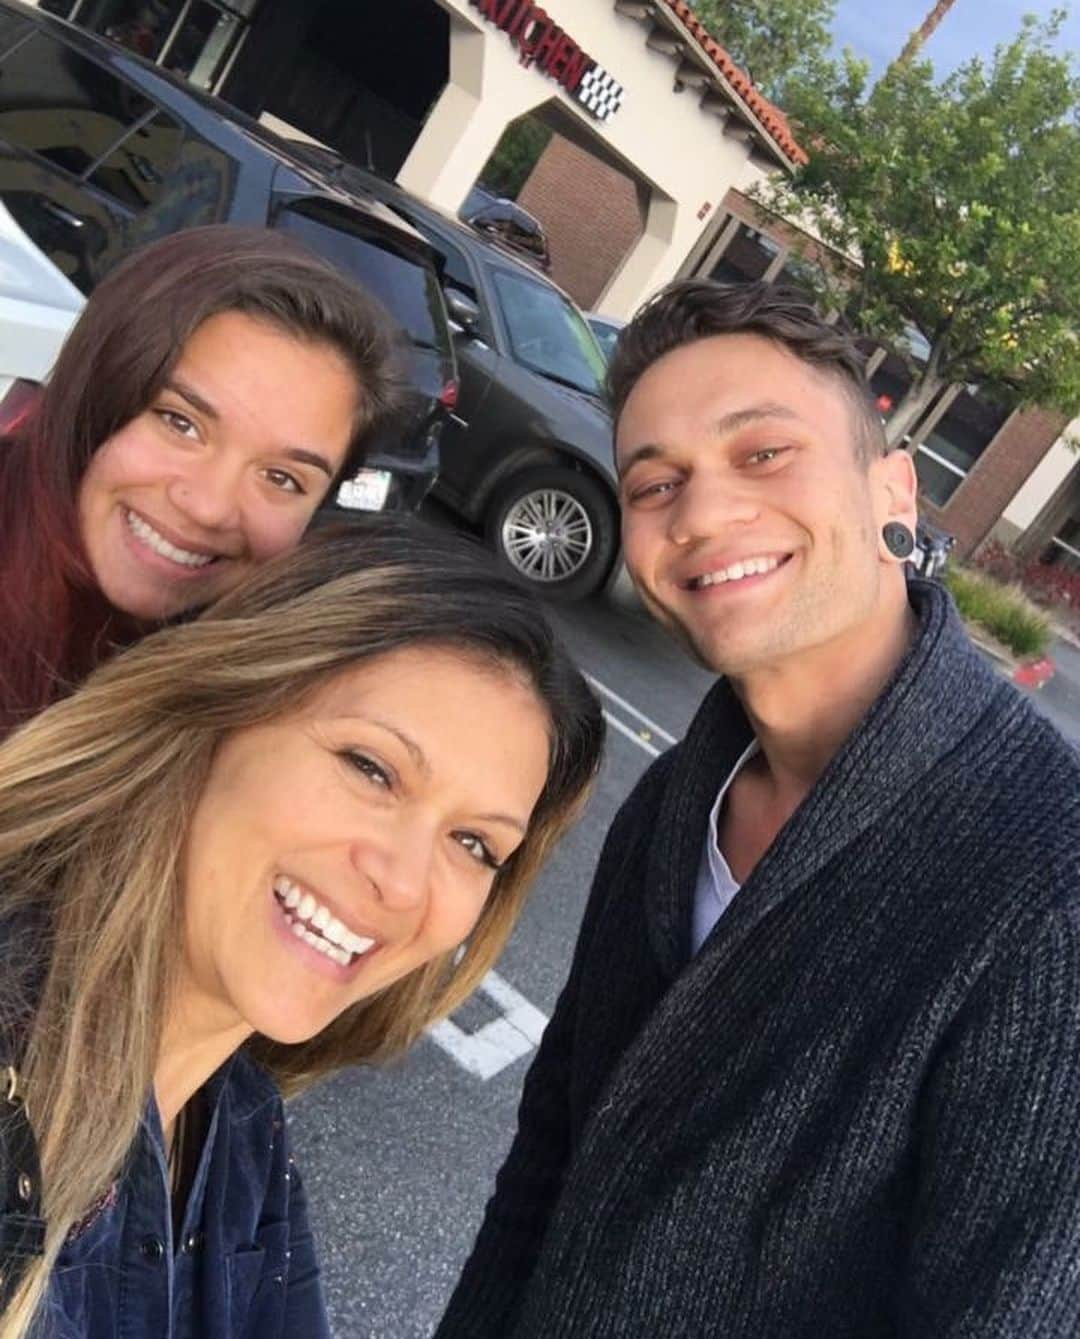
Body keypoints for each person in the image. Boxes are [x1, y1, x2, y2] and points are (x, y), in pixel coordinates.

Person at [438, 280, 1080, 1338]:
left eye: (763, 453)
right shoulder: (670, 806)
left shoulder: (1046, 895)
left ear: (896, 494)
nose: (702, 514)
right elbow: (549, 1161)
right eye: (655, 483)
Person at [0, 516, 604, 1339]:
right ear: (216, 710)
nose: (401, 881)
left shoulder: (240, 1127)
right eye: (371, 767)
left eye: (472, 843)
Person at [0, 224, 402, 735]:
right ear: (96, 389)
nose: (209, 507)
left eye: (281, 478)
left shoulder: (248, 701)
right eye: (180, 423)